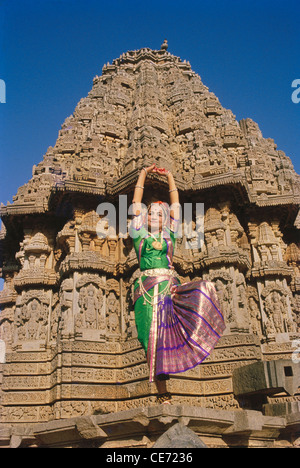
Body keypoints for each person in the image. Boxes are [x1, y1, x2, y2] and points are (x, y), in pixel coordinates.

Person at [130, 164, 225, 404]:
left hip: (169, 289)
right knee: (149, 340)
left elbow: (176, 208)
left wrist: (171, 178)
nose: (155, 216)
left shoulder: (170, 235)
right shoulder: (139, 234)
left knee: (200, 295)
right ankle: (162, 390)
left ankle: (167, 389)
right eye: (151, 213)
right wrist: (142, 173)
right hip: (146, 291)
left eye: (159, 215)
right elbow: (135, 204)